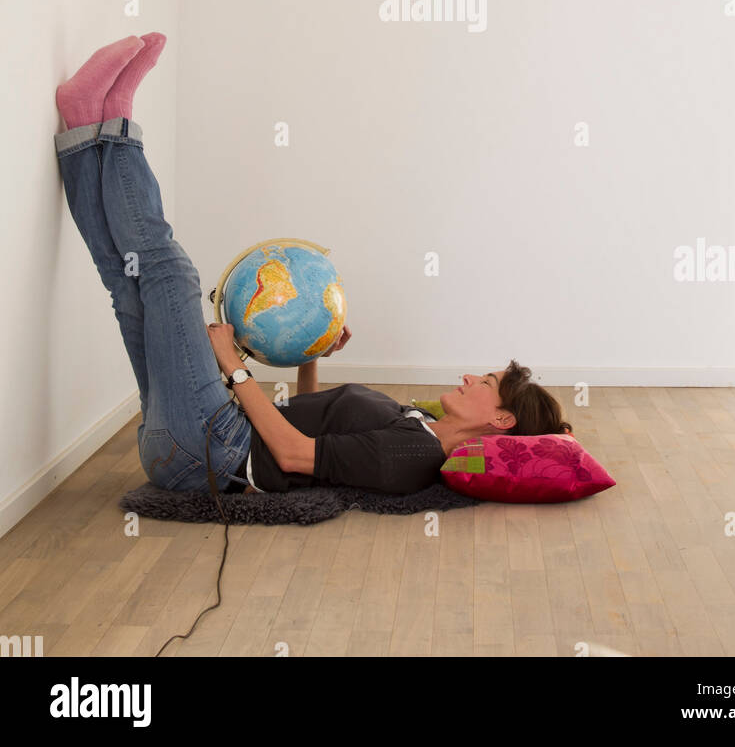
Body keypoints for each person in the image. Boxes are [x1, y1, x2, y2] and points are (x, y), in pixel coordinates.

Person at [54, 35, 573, 497]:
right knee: (130, 287)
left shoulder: (414, 456)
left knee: (172, 278)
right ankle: (88, 121)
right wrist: (313, 356)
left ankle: (116, 125)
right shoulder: (422, 428)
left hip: (212, 451)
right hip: (199, 441)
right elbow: (313, 440)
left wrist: (233, 368)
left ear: (501, 418)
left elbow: (292, 456)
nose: (468, 376)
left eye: (485, 382)